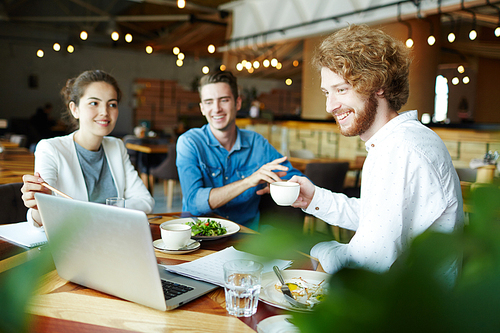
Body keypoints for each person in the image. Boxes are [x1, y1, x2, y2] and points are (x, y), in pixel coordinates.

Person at [289, 25, 463, 274]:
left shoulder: (399, 149)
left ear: (378, 84)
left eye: (341, 89)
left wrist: (320, 251)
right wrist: (314, 198)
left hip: (408, 308)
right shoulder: (405, 139)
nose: (330, 106)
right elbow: (380, 219)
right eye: (327, 92)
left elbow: (369, 261)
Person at [21, 70, 154, 227]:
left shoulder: (116, 146)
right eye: (94, 103)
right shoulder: (50, 148)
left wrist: (100, 212)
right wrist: (37, 204)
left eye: (112, 104)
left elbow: (146, 202)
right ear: (74, 109)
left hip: (114, 237)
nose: (105, 112)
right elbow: (43, 213)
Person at [176, 71, 303, 230]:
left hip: (246, 239)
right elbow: (194, 203)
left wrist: (281, 185)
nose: (216, 109)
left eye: (224, 100)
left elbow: (297, 178)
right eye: (209, 102)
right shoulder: (190, 142)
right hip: (200, 237)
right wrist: (248, 181)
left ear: (237, 103)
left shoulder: (257, 144)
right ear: (202, 108)